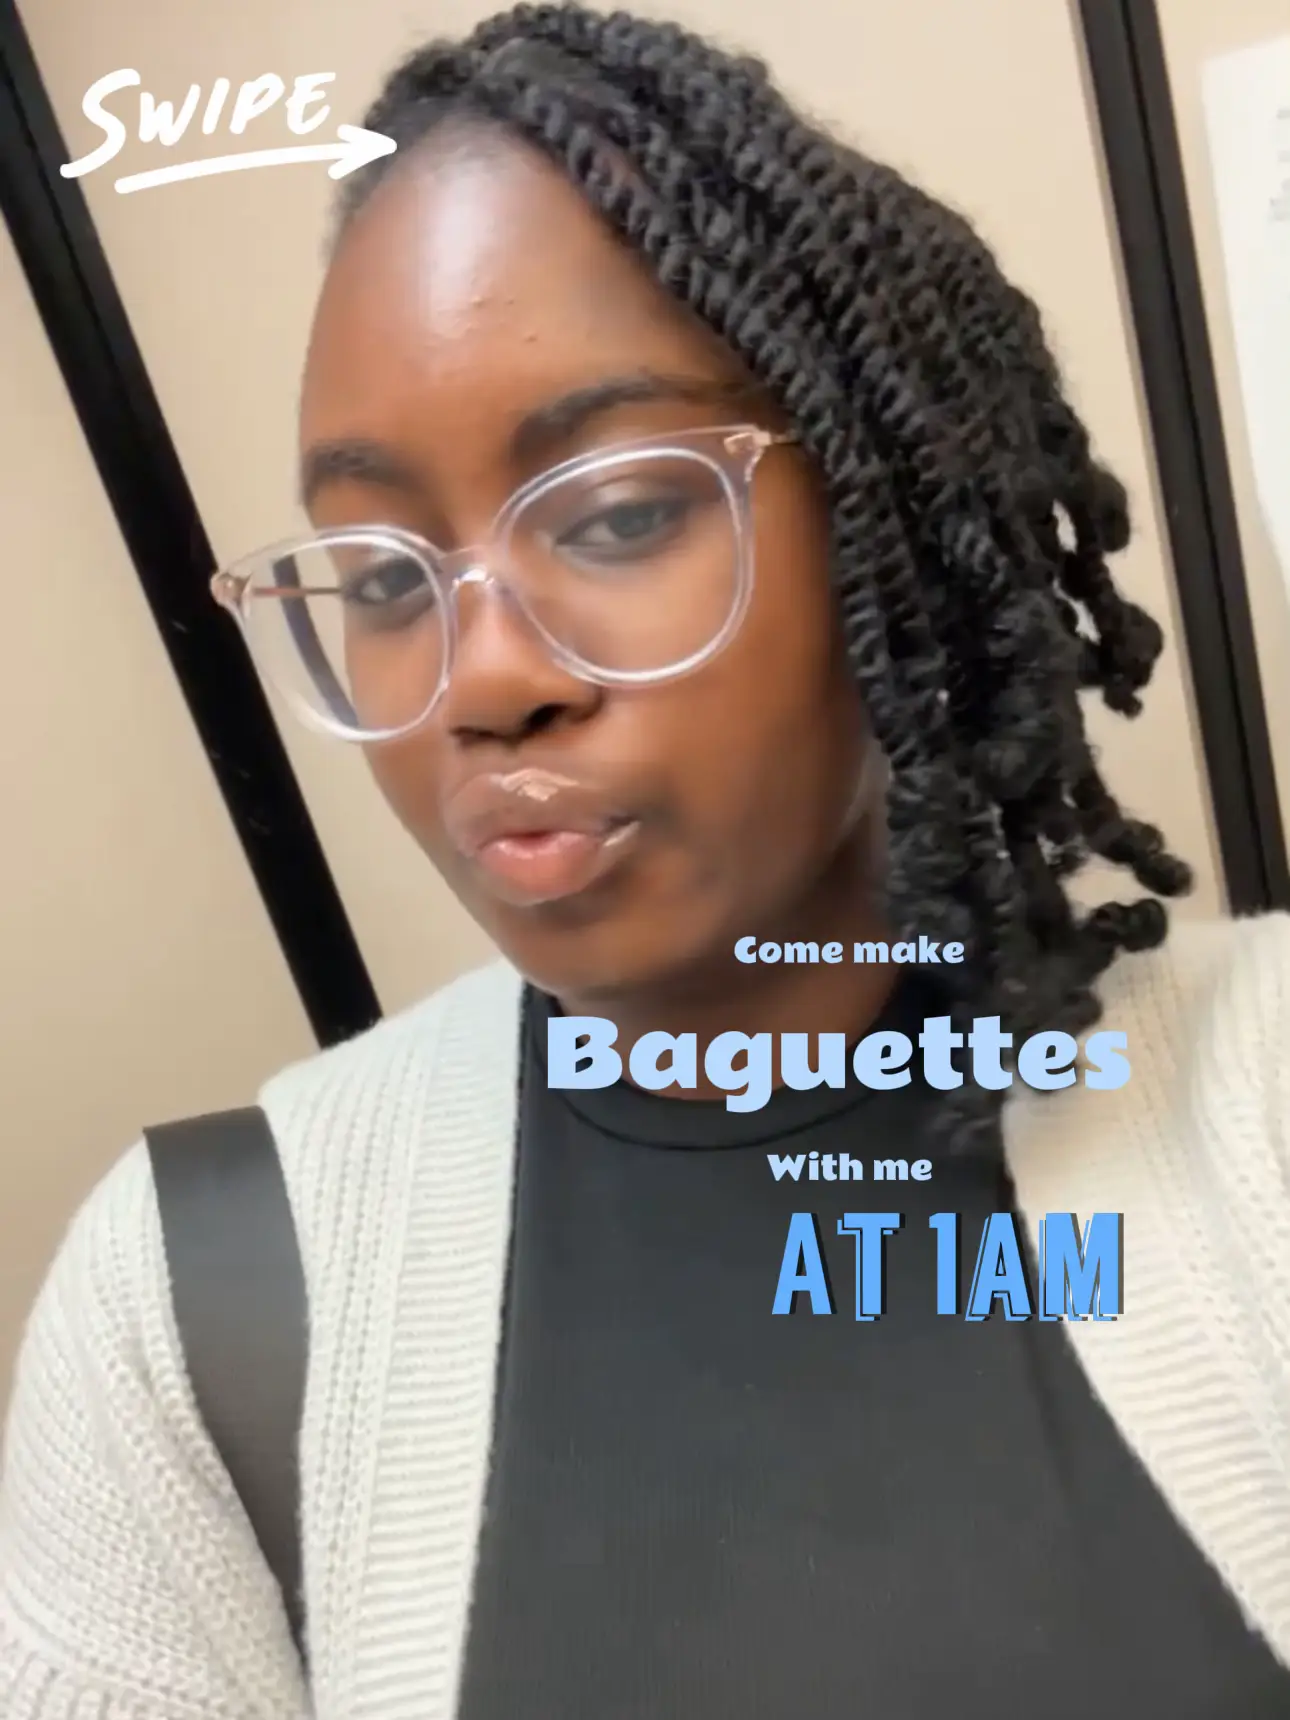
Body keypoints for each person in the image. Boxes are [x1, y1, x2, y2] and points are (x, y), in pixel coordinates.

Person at [3, 5, 1289, 1716]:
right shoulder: (192, 1309)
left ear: (895, 517)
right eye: (379, 578)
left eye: (614, 516)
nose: (480, 683)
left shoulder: (1264, 1106)